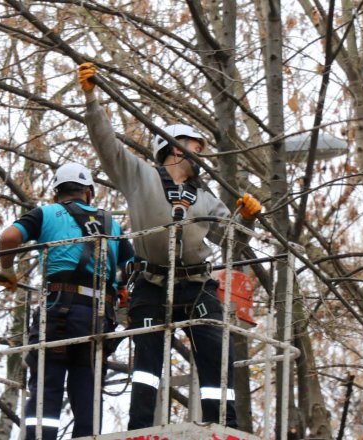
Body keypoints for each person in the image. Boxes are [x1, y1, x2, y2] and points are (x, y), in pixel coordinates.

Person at [76, 62, 262, 429]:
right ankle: (141, 429)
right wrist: (92, 100)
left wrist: (247, 220)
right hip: (152, 285)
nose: (201, 153)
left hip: (197, 285)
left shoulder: (205, 199)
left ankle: (223, 427)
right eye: (196, 146)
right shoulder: (140, 177)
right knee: (147, 364)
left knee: (215, 357)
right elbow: (107, 146)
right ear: (175, 149)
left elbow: (231, 243)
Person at [0, 163, 134, 439]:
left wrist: (7, 269)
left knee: (47, 387)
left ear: (56, 194)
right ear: (89, 193)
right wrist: (120, 290)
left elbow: (9, 236)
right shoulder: (112, 223)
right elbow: (130, 265)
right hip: (97, 318)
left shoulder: (46, 214)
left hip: (59, 312)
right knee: (88, 392)